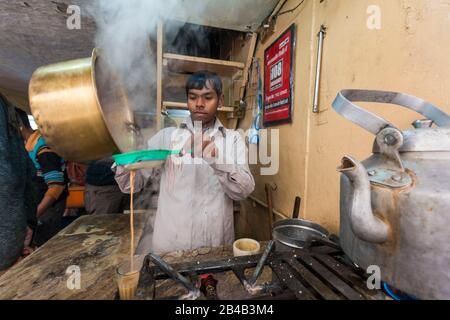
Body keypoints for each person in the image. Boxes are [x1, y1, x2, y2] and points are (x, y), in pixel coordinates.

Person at [114, 71, 255, 254]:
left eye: (207, 97)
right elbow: (131, 186)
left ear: (220, 101)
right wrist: (125, 159)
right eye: (193, 97)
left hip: (214, 246)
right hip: (170, 247)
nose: (199, 104)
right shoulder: (166, 138)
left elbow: (243, 191)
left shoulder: (232, 140)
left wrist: (216, 158)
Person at [16, 109, 68, 247]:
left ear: (18, 126)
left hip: (47, 208)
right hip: (36, 207)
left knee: (44, 247)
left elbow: (56, 186)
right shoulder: (27, 145)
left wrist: (34, 215)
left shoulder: (43, 146)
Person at [0, 95, 38, 272]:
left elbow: (7, 179)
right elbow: (28, 174)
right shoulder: (8, 101)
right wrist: (28, 221)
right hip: (12, 239)